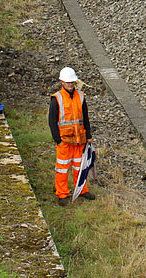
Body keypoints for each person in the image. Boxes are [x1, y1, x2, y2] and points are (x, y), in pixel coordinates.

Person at [49, 66, 94, 205]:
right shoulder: (57, 99)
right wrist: (58, 140)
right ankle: (62, 194)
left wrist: (88, 135)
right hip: (65, 141)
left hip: (79, 140)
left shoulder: (81, 96)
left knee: (79, 167)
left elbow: (85, 117)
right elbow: (52, 121)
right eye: (68, 82)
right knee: (62, 168)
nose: (70, 84)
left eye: (72, 82)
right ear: (62, 82)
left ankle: (81, 189)